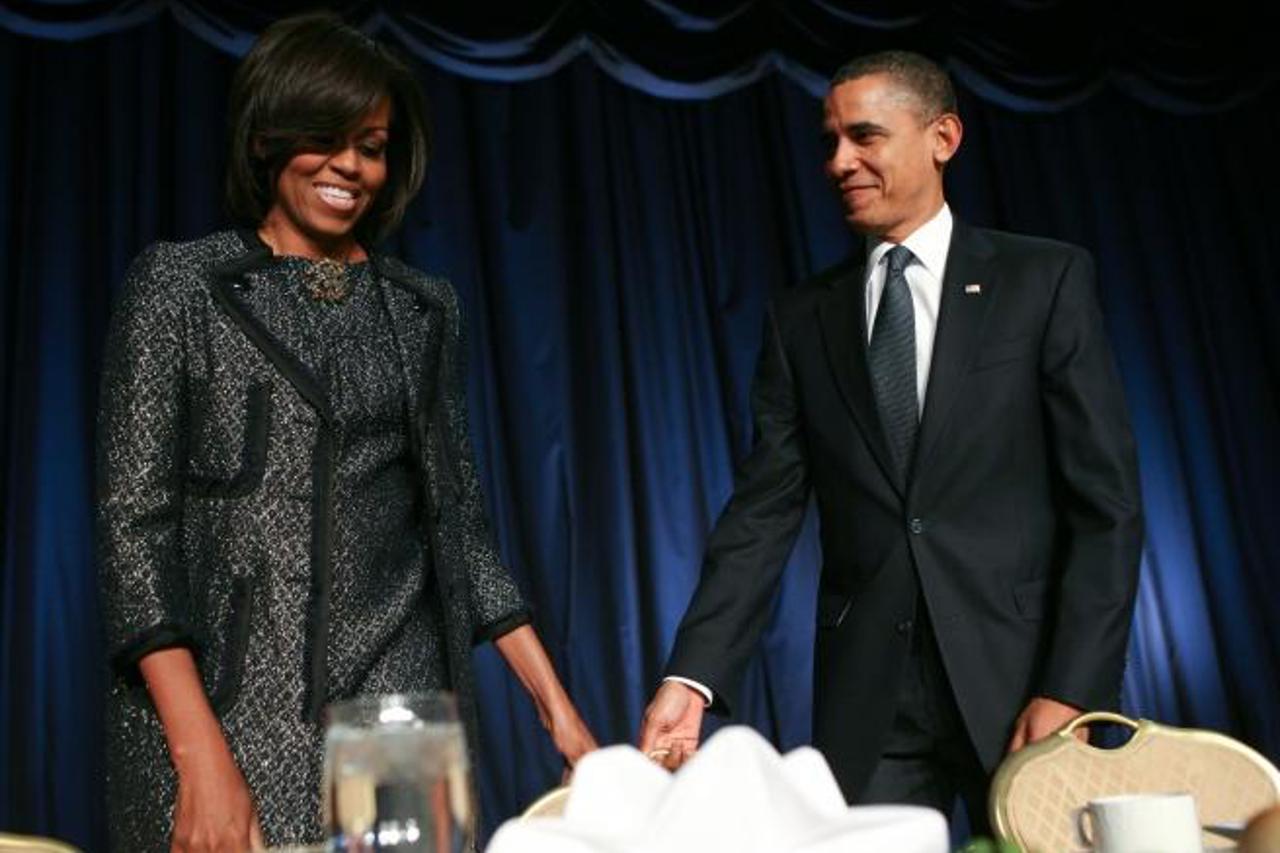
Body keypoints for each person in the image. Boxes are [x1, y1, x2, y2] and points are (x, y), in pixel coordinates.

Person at [97, 13, 596, 852]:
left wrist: (565, 719)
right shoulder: (180, 289)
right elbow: (131, 535)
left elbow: (461, 534)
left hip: (395, 711)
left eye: (371, 145)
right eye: (325, 137)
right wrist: (199, 755)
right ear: (266, 139)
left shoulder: (421, 309)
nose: (350, 166)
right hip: (223, 706)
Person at [638, 51, 1142, 832]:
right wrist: (693, 675)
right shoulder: (801, 320)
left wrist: (1072, 688)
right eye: (831, 140)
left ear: (942, 137)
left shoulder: (1043, 281)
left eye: (865, 136)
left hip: (1026, 688)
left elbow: (1106, 505)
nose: (840, 162)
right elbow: (763, 513)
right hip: (871, 706)